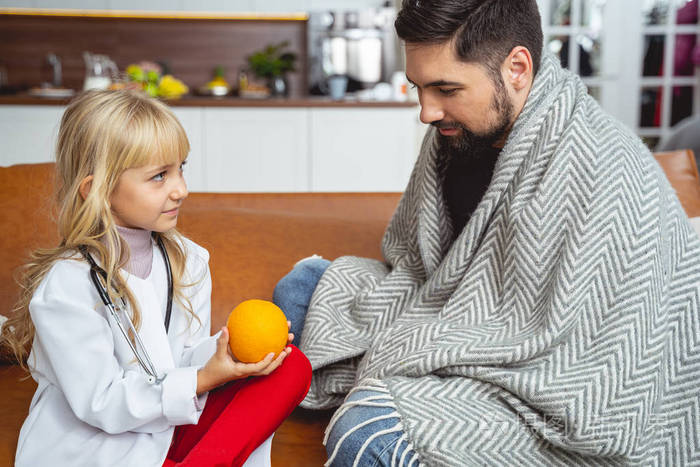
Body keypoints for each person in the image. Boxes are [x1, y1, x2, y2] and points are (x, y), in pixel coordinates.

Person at [273, 0, 700, 465]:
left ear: (517, 68)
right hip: (455, 312)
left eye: (446, 88)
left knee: (371, 429)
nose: (427, 112)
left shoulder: (599, 166)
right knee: (303, 287)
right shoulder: (457, 135)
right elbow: (420, 263)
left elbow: (595, 368)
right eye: (418, 88)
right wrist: (437, 330)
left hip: (540, 372)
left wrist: (439, 344)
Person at [0, 90, 312, 467]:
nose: (181, 189)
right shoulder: (68, 284)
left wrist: (224, 357)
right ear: (97, 190)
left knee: (291, 366)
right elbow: (102, 402)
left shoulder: (189, 260)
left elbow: (179, 359)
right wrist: (201, 380)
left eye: (181, 168)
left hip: (166, 431)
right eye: (159, 176)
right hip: (101, 449)